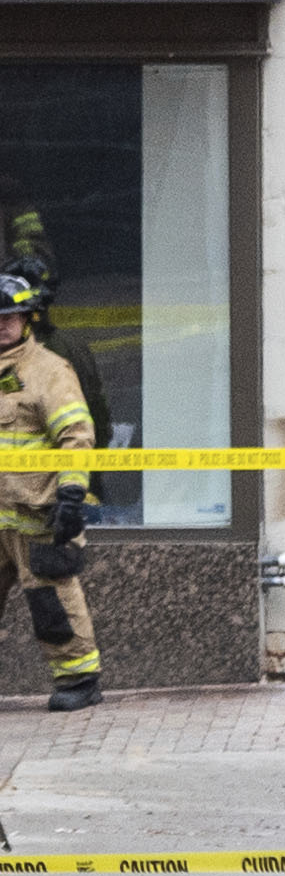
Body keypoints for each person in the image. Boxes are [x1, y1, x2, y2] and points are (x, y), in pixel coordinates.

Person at [0, 270, 100, 708]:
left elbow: (76, 436)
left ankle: (79, 682)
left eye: (11, 316)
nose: (2, 323)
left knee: (52, 602)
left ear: (28, 319)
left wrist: (72, 496)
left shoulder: (48, 371)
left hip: (35, 512)